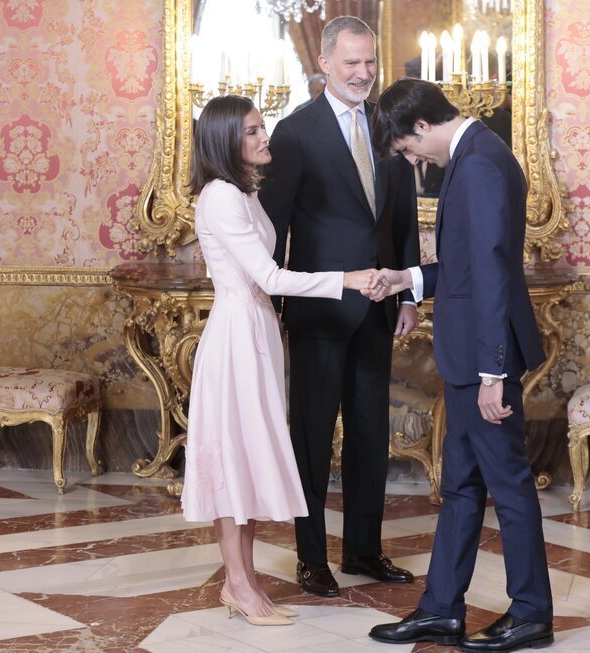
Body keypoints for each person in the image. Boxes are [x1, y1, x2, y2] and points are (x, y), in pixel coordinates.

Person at [363, 78, 554, 651]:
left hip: (481, 362)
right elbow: (467, 269)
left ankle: (532, 614)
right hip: (470, 357)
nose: (410, 158)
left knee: (509, 487)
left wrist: (495, 372)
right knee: (462, 486)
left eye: (405, 148)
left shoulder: (477, 164)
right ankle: (442, 608)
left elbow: (494, 272)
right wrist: (410, 280)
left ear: (420, 126)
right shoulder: (476, 156)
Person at [180, 95, 376, 626]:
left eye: (260, 127)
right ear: (225, 141)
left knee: (245, 457)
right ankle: (240, 585)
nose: (265, 137)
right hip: (237, 334)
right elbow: (268, 277)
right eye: (252, 131)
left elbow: (271, 268)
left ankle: (237, 582)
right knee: (231, 461)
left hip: (259, 329)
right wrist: (347, 279)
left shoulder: (244, 192)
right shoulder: (221, 196)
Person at [258, 15, 420, 597]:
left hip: (378, 309)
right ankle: (310, 557)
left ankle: (364, 551)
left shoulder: (387, 128)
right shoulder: (294, 132)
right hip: (319, 311)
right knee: (311, 436)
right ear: (325, 63)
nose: (364, 74)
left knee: (370, 435)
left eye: (370, 62)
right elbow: (274, 229)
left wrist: (404, 294)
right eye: (351, 63)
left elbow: (399, 218)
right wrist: (272, 305)